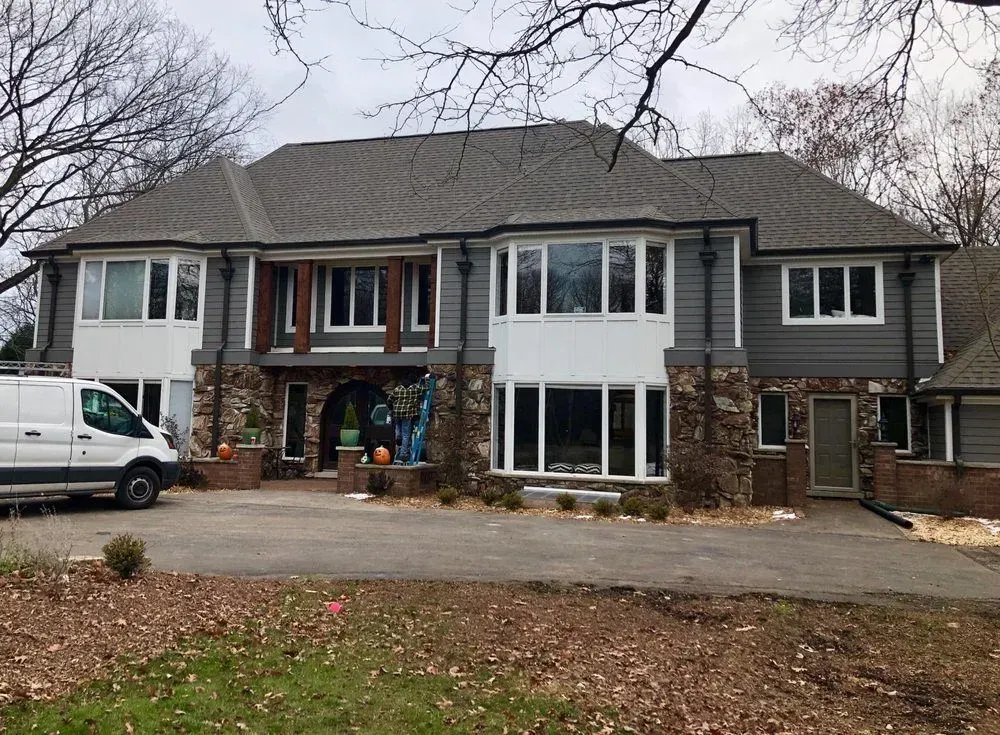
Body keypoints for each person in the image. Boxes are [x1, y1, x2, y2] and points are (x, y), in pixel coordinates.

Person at [388, 374, 424, 464]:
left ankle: (398, 438)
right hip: (407, 414)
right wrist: (428, 379)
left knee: (398, 429)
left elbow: (389, 399)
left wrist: (391, 407)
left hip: (397, 413)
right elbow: (425, 389)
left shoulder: (398, 389)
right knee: (406, 433)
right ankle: (403, 453)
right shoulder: (414, 389)